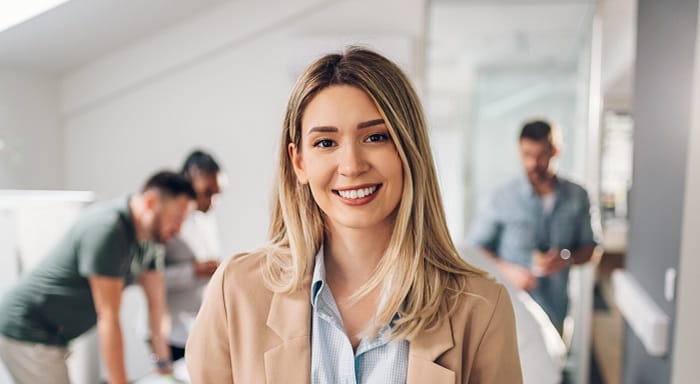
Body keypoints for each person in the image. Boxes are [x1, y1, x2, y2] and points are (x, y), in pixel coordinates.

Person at [186, 47, 522, 383]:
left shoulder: (481, 307)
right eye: (325, 143)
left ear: (409, 149)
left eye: (375, 137)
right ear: (298, 161)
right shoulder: (237, 292)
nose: (351, 166)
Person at [0, 171, 196, 384]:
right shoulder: (107, 229)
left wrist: (163, 366)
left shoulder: (151, 240)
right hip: (26, 327)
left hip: (55, 336)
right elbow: (108, 317)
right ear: (150, 202)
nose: (178, 230)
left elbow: (157, 307)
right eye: (177, 219)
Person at [469, 119, 598, 332]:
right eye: (526, 155)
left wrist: (567, 258)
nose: (532, 164)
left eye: (540, 156)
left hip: (557, 313)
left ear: (555, 151)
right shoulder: (501, 196)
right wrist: (507, 271)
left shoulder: (579, 196)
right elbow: (474, 249)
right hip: (511, 314)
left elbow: (593, 249)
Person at [159, 150, 222, 362]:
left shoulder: (207, 217)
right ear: (190, 178)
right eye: (207, 192)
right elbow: (149, 277)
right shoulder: (167, 220)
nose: (212, 202)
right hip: (170, 330)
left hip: (196, 327)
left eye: (216, 194)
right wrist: (193, 271)